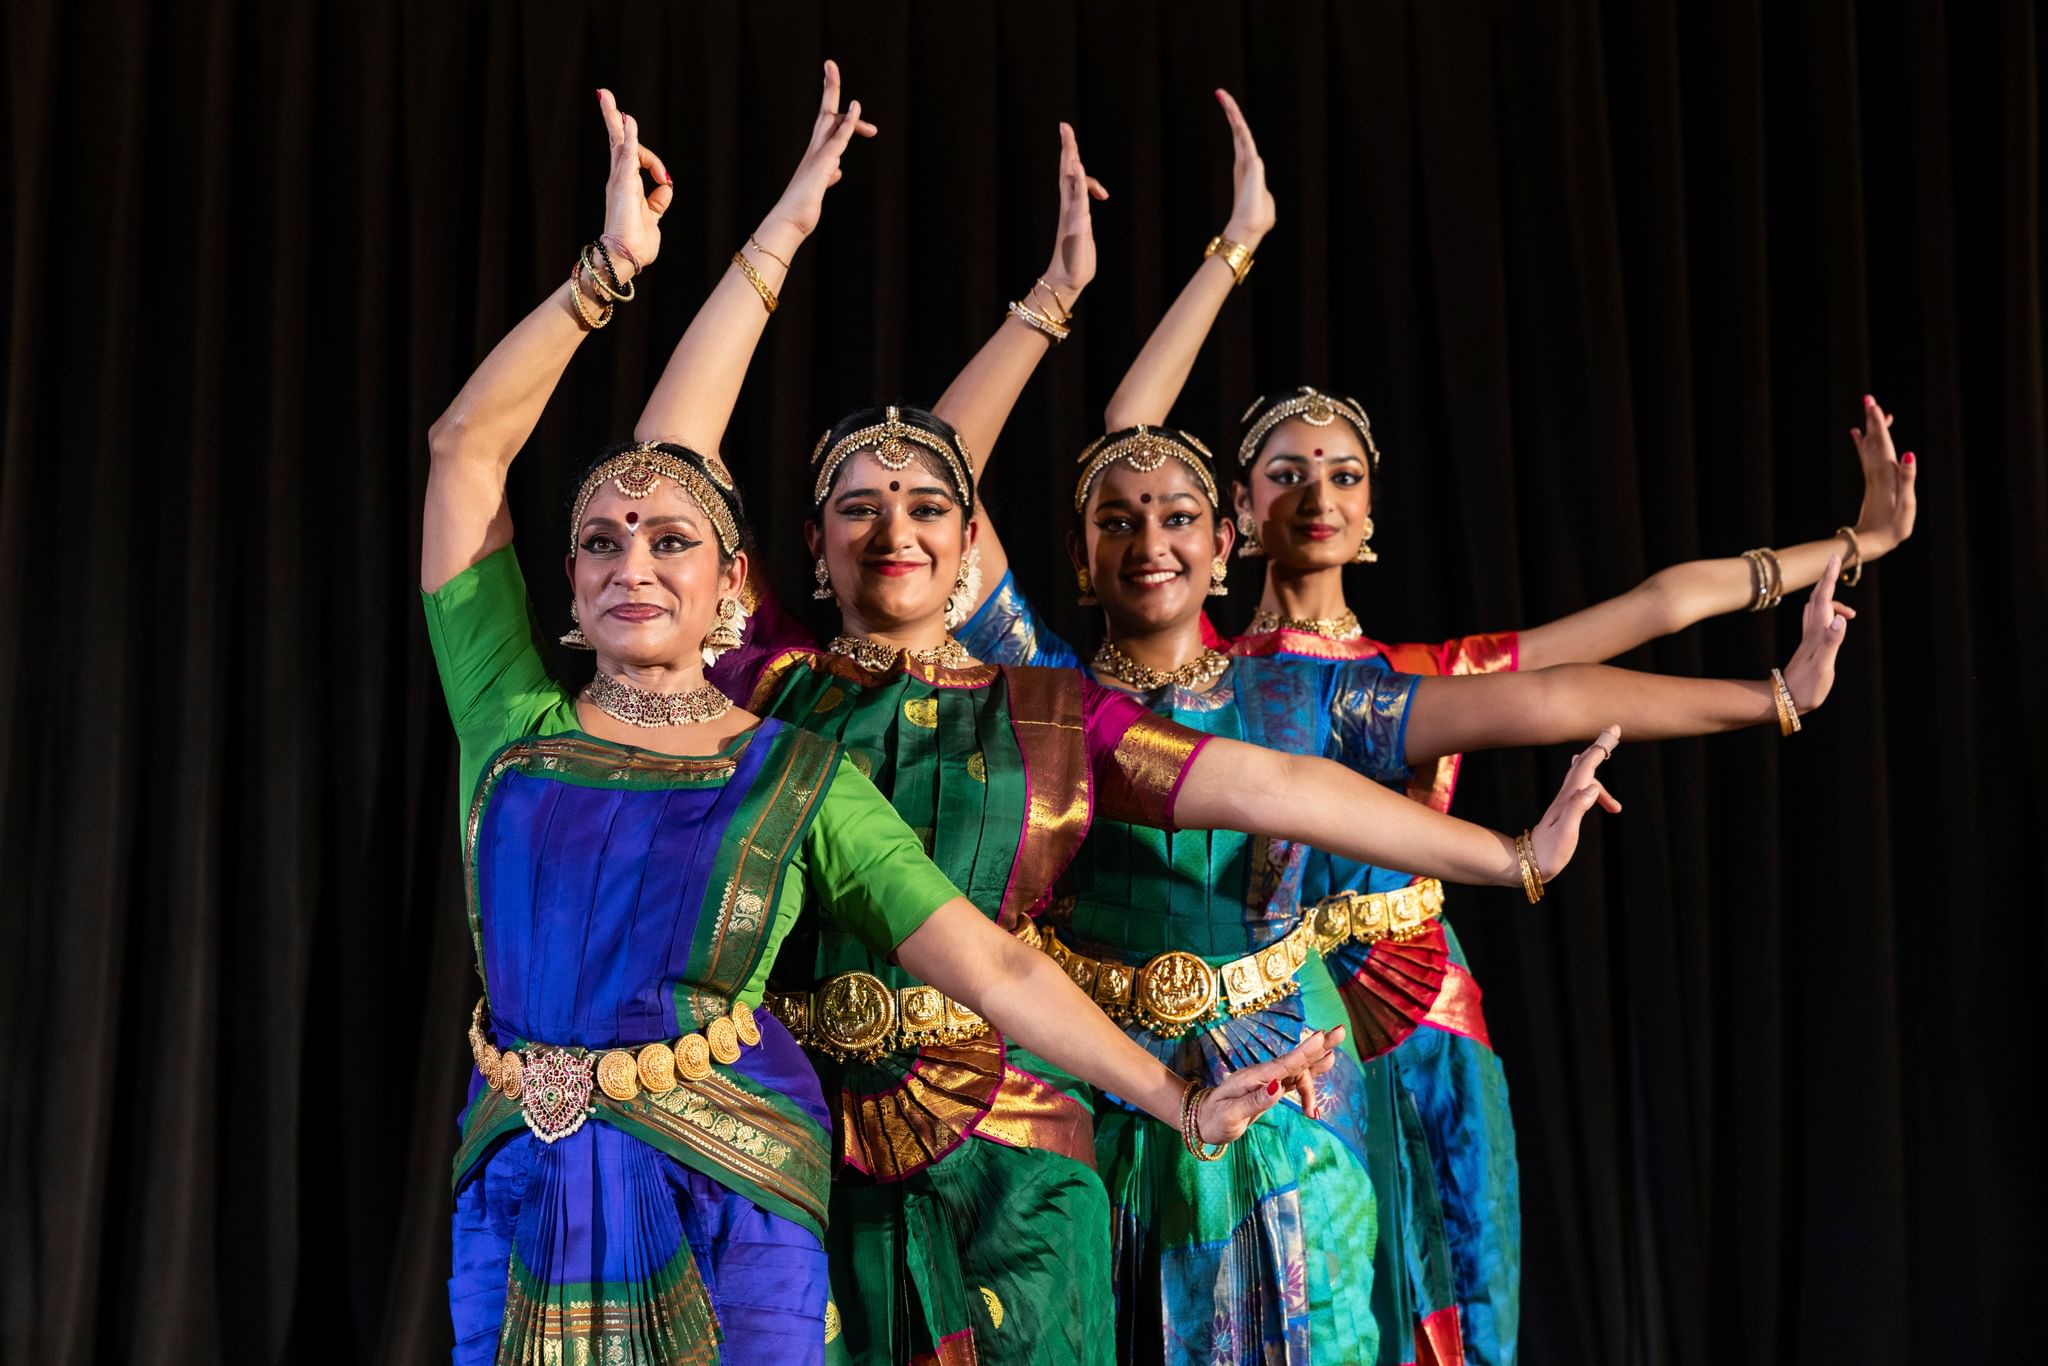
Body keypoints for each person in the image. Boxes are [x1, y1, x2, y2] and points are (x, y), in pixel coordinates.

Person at [629, 67, 1627, 1366]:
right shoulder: (766, 683)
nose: (899, 525)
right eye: (860, 505)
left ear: (968, 536)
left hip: (1017, 1148)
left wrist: (1510, 857)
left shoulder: (1049, 707)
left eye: (933, 504)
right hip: (804, 1136)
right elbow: (667, 476)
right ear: (810, 553)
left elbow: (1266, 787)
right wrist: (779, 241)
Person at [422, 82, 1346, 1366]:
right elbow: (467, 447)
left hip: (735, 1193)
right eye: (598, 540)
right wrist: (605, 276)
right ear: (568, 590)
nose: (633, 558)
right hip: (519, 1190)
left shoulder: (789, 766)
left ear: (734, 585)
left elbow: (996, 965)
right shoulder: (507, 723)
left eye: (672, 537)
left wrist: (1178, 1101)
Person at [993, 86, 1904, 1366]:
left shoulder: (1394, 678)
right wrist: (1231, 248)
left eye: (1345, 475)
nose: (1318, 495)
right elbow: (1128, 451)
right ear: (1232, 519)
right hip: (1200, 1011)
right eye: (1283, 474)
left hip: (1402, 993)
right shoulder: (1148, 670)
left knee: (1436, 1294)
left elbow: (1625, 629)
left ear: (1372, 516)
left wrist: (1845, 565)